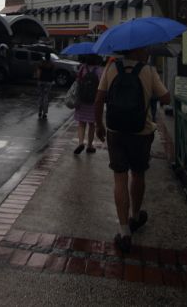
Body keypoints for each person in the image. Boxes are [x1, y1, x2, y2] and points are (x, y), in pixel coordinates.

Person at [95, 45, 171, 253]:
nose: (147, 52)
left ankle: (124, 232)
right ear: (137, 51)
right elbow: (166, 98)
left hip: (115, 131)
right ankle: (136, 216)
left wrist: (99, 126)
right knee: (138, 174)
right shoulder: (148, 70)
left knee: (119, 178)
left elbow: (99, 98)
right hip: (141, 132)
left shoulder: (111, 68)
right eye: (145, 49)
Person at [72, 54, 103, 154]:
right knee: (92, 124)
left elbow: (77, 81)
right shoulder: (99, 70)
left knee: (81, 123)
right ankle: (90, 145)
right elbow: (101, 86)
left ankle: (81, 143)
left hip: (82, 100)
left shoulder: (82, 68)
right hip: (94, 101)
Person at [35, 54, 53, 119]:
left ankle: (39, 112)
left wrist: (38, 79)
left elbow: (38, 73)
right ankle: (44, 113)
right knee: (46, 97)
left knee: (40, 96)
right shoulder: (51, 64)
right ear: (49, 58)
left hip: (41, 81)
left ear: (45, 57)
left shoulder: (41, 63)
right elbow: (53, 73)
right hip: (48, 82)